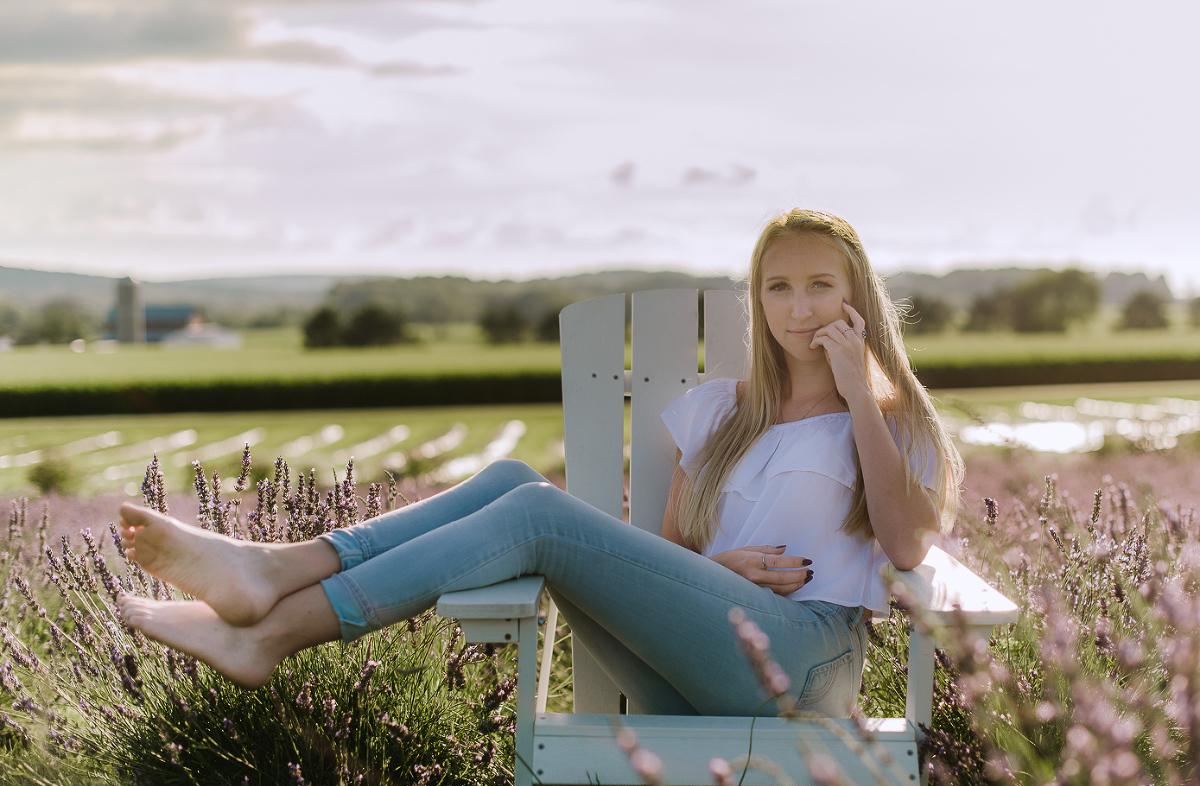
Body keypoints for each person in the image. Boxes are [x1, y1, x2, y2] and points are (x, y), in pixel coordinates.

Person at [117, 209, 962, 718]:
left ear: (857, 296)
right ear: (758, 298)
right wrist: (717, 568)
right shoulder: (718, 412)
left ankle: (272, 624)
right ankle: (277, 567)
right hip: (696, 658)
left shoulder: (893, 418)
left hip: (803, 663)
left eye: (821, 285)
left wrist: (860, 393)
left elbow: (907, 547)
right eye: (777, 287)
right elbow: (675, 551)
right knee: (515, 479)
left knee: (538, 516)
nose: (798, 307)